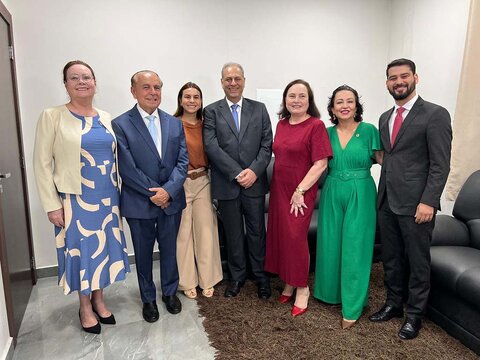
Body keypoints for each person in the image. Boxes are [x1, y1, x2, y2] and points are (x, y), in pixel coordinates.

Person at [33, 60, 130, 334]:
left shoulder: (106, 117)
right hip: (75, 200)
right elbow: (41, 164)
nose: (82, 82)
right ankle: (84, 307)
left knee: (102, 251)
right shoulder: (52, 116)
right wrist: (52, 206)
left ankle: (99, 300)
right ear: (66, 84)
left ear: (95, 82)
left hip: (108, 198)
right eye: (74, 78)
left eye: (86, 77)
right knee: (81, 253)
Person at [369, 59, 452, 340]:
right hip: (387, 202)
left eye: (404, 76)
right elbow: (389, 157)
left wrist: (429, 201)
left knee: (417, 261)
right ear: (387, 83)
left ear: (415, 77)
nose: (398, 82)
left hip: (418, 205)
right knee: (391, 259)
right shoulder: (384, 118)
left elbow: (440, 164)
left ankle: (414, 315)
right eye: (393, 78)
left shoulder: (435, 114)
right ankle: (393, 303)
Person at [112, 71, 189, 322]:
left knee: (169, 250)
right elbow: (127, 167)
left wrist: (169, 191)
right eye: (146, 87)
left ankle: (169, 293)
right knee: (143, 254)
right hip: (139, 203)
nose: (153, 92)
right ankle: (148, 298)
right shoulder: (121, 124)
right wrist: (154, 193)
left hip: (171, 200)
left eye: (157, 87)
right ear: (133, 91)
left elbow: (182, 162)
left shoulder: (174, 123)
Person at [313, 85, 383, 328]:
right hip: (332, 190)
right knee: (329, 244)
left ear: (356, 106)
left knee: (356, 247)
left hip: (360, 191)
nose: (344, 105)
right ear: (332, 108)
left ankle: (352, 306)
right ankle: (330, 294)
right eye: (339, 102)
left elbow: (388, 163)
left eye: (349, 101)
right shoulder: (326, 132)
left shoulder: (369, 131)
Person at [203, 62, 273, 299]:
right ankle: (237, 277)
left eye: (237, 79)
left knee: (256, 232)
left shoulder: (260, 109)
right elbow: (211, 146)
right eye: (228, 79)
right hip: (227, 184)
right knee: (233, 234)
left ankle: (261, 276)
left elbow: (266, 145)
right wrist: (237, 173)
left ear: (244, 80)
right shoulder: (211, 111)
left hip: (254, 183)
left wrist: (252, 171)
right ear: (221, 82)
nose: (233, 83)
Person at [264, 79, 332, 317]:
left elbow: (321, 163)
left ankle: (302, 287)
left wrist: (300, 190)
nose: (296, 100)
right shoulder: (282, 124)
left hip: (300, 193)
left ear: (309, 100)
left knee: (295, 238)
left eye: (302, 96)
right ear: (285, 100)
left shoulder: (316, 126)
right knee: (282, 237)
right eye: (292, 96)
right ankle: (289, 282)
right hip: (279, 190)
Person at [173, 82, 222, 299]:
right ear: (180, 100)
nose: (192, 101)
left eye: (196, 97)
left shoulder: (207, 125)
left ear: (201, 101)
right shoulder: (171, 124)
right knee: (183, 234)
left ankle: (208, 279)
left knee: (206, 231)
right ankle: (187, 281)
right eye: (187, 96)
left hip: (203, 179)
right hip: (179, 183)